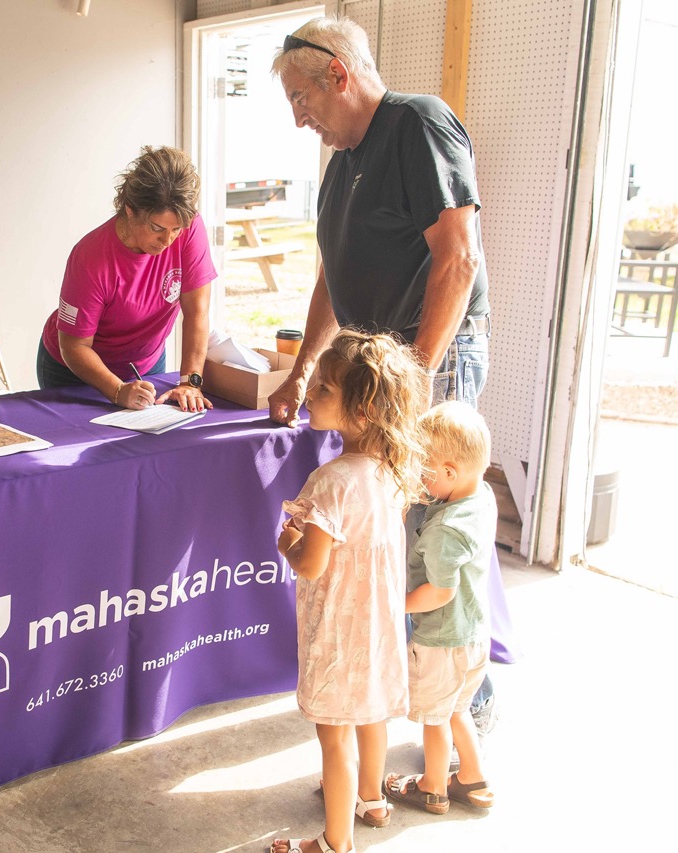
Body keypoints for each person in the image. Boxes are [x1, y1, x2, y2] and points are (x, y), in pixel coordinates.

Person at [267, 14, 499, 749]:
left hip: (428, 362)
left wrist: (414, 378)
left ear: (338, 74)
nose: (299, 120)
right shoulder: (342, 163)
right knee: (389, 538)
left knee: (433, 542)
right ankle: (397, 704)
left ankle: (463, 714)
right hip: (381, 374)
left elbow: (457, 259)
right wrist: (302, 370)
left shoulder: (416, 126)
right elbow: (331, 278)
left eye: (301, 99)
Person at [272, 330, 430, 853]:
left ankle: (335, 842)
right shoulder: (393, 472)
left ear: (361, 410)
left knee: (335, 738)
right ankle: (372, 798)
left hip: (340, 634)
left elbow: (311, 565)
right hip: (379, 627)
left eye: (323, 389)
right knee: (371, 714)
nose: (310, 394)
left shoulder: (330, 482)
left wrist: (287, 542)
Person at [37, 145, 216, 412]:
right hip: (75, 372)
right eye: (157, 228)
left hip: (145, 364)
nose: (168, 240)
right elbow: (74, 345)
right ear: (130, 210)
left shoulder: (189, 229)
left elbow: (196, 312)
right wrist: (117, 390)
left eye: (176, 229)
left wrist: (190, 382)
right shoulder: (89, 257)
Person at [384, 401, 497, 816]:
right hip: (474, 635)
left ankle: (432, 787)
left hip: (441, 642)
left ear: (450, 472)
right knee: (457, 709)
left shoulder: (446, 529)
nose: (418, 475)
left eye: (423, 467)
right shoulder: (482, 497)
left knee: (434, 719)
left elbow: (439, 593)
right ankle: (473, 778)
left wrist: (393, 605)